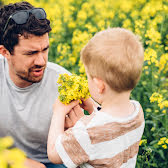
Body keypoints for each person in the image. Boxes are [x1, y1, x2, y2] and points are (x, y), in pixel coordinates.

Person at [0, 1, 84, 168]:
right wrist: (19, 162)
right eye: (31, 53)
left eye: (44, 50)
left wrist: (77, 134)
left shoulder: (63, 81)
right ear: (5, 52)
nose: (41, 61)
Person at [47, 28, 145, 168]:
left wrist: (58, 112)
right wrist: (92, 108)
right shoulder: (137, 111)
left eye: (88, 76)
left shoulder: (86, 132)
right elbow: (109, 128)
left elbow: (53, 154)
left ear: (99, 85)